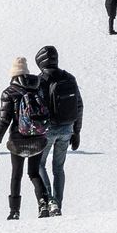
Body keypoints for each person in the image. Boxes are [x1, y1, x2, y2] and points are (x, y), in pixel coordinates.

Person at [0, 58, 52, 220]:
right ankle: (43, 205)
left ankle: (14, 211)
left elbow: (4, 121)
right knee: (34, 173)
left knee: (16, 174)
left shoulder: (9, 92)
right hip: (38, 139)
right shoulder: (38, 88)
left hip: (18, 141)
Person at [34, 46, 84, 214]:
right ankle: (58, 206)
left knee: (39, 164)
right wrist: (77, 132)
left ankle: (50, 201)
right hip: (67, 128)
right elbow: (79, 105)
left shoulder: (40, 80)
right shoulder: (69, 78)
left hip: (47, 130)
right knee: (59, 168)